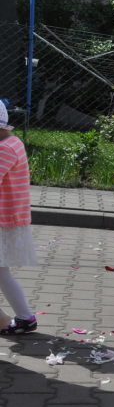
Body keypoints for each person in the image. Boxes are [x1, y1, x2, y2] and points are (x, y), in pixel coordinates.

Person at [0, 101, 38, 336]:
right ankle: (24, 318)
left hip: (3, 219)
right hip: (8, 217)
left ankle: (23, 318)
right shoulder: (13, 142)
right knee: (1, 272)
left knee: (1, 272)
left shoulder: (5, 149)